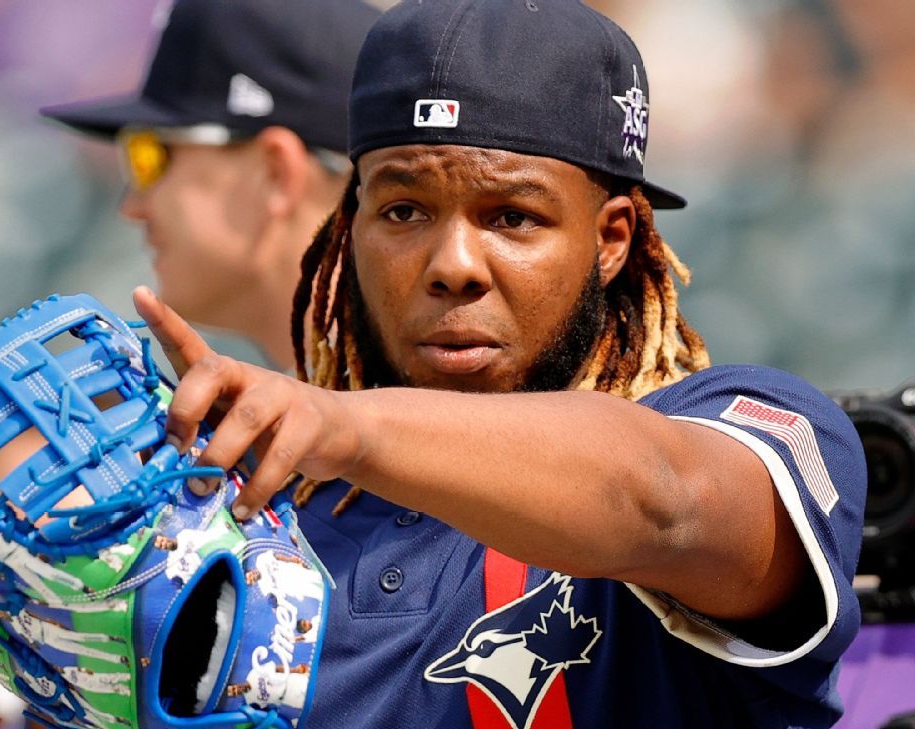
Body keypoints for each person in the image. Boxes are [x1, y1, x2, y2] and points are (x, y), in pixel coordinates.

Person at [131, 1, 868, 727]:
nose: (453, 265)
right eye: (404, 212)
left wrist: (347, 425)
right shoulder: (236, 517)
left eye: (512, 216)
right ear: (350, 225)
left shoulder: (765, 424)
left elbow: (663, 500)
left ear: (610, 239)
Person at [41, 0, 380, 370]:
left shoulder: (400, 407)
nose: (131, 207)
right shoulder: (388, 394)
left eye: (150, 155)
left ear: (275, 173)